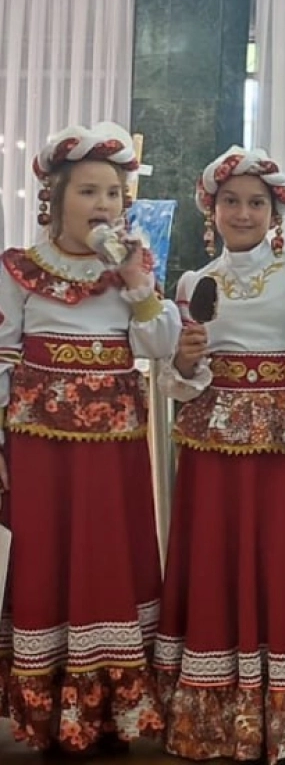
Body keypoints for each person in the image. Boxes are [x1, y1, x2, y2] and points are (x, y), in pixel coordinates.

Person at [154, 146, 285, 763]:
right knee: (213, 560)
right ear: (210, 209)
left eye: (256, 203)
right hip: (211, 448)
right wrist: (185, 360)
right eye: (230, 201)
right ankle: (213, 719)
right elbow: (180, 379)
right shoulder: (192, 284)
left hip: (281, 442)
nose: (243, 213)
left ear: (276, 213)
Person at [0, 122, 179, 754]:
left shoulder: (132, 268)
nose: (103, 204)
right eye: (87, 191)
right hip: (40, 452)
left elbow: (160, 345)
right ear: (55, 198)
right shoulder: (20, 269)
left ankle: (110, 715)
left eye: (112, 194)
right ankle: (51, 718)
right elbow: (1, 356)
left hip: (113, 455)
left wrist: (138, 286)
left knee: (109, 564)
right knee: (47, 562)